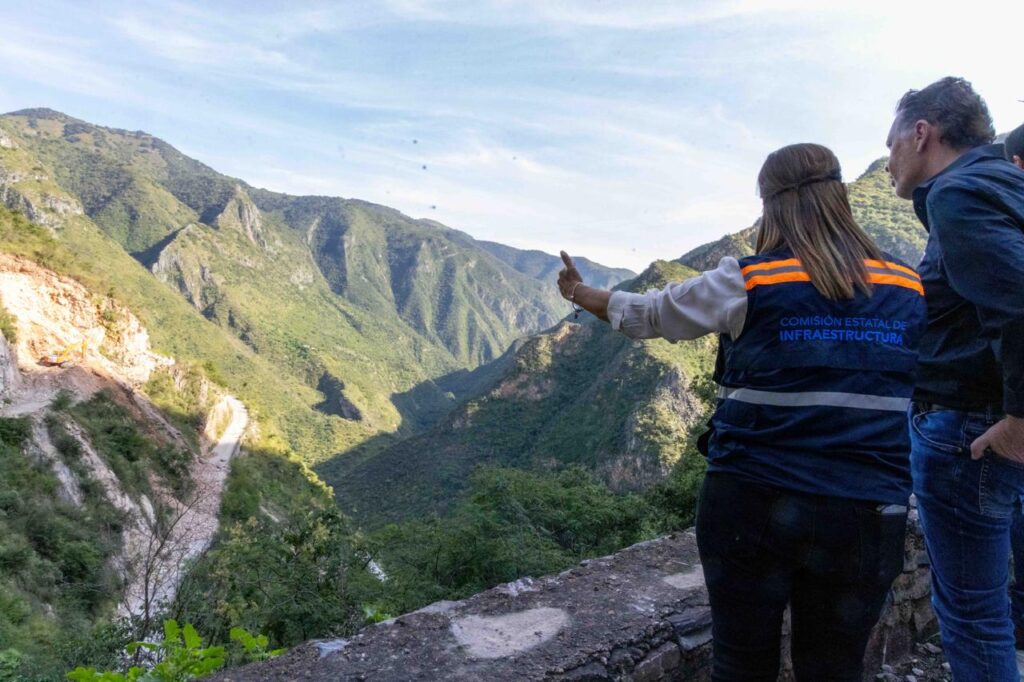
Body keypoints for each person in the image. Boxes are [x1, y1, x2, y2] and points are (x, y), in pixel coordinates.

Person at [558, 142, 926, 681]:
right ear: (840, 197)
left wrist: (579, 292)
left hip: (752, 500)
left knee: (741, 661)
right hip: (866, 507)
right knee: (836, 666)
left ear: (771, 206)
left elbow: (650, 314)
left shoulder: (751, 279)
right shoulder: (909, 287)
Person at [885, 77, 1024, 681]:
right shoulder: (1010, 187)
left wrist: (1018, 422)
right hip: (990, 416)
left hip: (972, 426)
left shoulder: (958, 194)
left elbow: (1018, 300)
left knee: (971, 611)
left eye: (890, 142)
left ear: (922, 134)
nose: (887, 158)